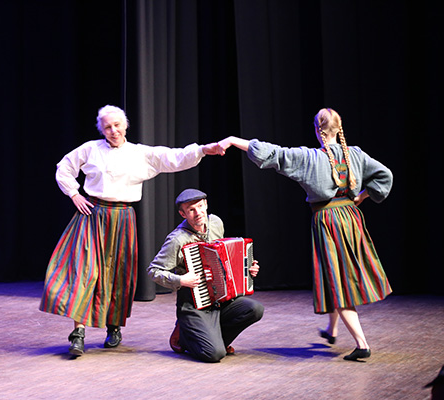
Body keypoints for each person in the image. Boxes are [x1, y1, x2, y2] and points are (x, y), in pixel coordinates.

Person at [40, 105, 226, 357]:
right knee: (84, 271)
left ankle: (114, 327)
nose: (113, 130)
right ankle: (78, 333)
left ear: (125, 125)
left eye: (117, 125)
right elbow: (64, 167)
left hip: (123, 216)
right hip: (93, 215)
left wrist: (204, 149)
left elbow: (174, 157)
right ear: (101, 129)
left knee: (119, 273)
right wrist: (74, 194)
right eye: (107, 127)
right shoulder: (90, 149)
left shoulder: (139, 153)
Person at [219, 108, 393, 361]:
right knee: (337, 275)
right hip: (351, 220)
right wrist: (362, 197)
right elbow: (384, 175)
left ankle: (362, 343)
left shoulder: (310, 158)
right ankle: (332, 330)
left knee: (337, 282)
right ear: (339, 128)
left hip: (329, 222)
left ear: (317, 129)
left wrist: (234, 141)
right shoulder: (355, 154)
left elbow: (274, 153)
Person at [147, 188, 264, 363]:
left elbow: (224, 260)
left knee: (255, 309)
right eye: (191, 210)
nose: (198, 213)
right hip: (194, 304)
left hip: (220, 300)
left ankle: (212, 338)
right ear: (182, 214)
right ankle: (186, 336)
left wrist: (247, 269)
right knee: (214, 355)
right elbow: (154, 271)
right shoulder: (177, 239)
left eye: (200, 207)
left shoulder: (216, 223)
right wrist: (181, 280)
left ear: (206, 204)